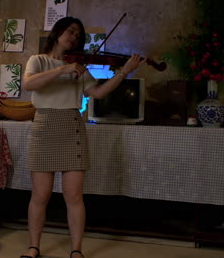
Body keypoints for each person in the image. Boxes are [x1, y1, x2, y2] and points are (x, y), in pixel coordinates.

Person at [20, 17, 146, 258]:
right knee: (40, 195)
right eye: (70, 31)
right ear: (57, 32)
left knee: (74, 196)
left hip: (71, 126)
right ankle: (33, 246)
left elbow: (97, 93)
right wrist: (63, 69)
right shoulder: (38, 60)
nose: (74, 37)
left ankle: (76, 249)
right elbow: (29, 84)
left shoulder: (80, 67)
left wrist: (123, 73)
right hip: (44, 126)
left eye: (78, 35)